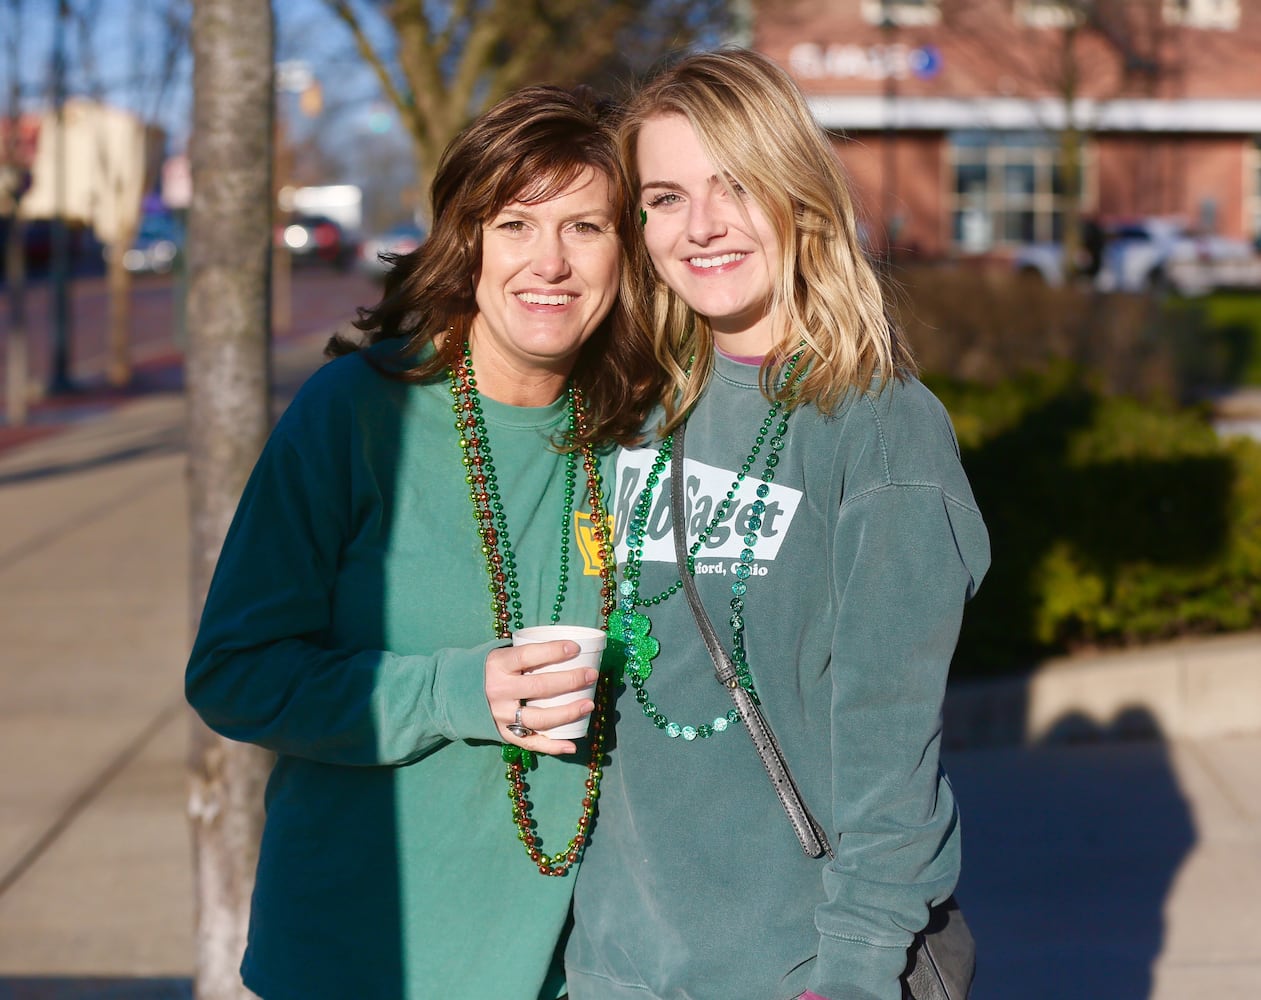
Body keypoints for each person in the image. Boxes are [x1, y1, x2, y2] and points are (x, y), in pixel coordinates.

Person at [185, 85, 660, 1000]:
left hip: (579, 968)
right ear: (466, 238)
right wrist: (450, 692)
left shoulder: (639, 429)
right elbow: (234, 672)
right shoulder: (358, 416)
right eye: (516, 223)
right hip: (362, 958)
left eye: (586, 228)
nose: (549, 262)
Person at [565, 49, 990, 1000]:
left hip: (796, 969)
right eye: (665, 198)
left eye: (733, 187)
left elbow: (891, 751)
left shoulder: (878, 426)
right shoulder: (632, 408)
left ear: (797, 196)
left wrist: (851, 975)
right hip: (615, 966)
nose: (701, 226)